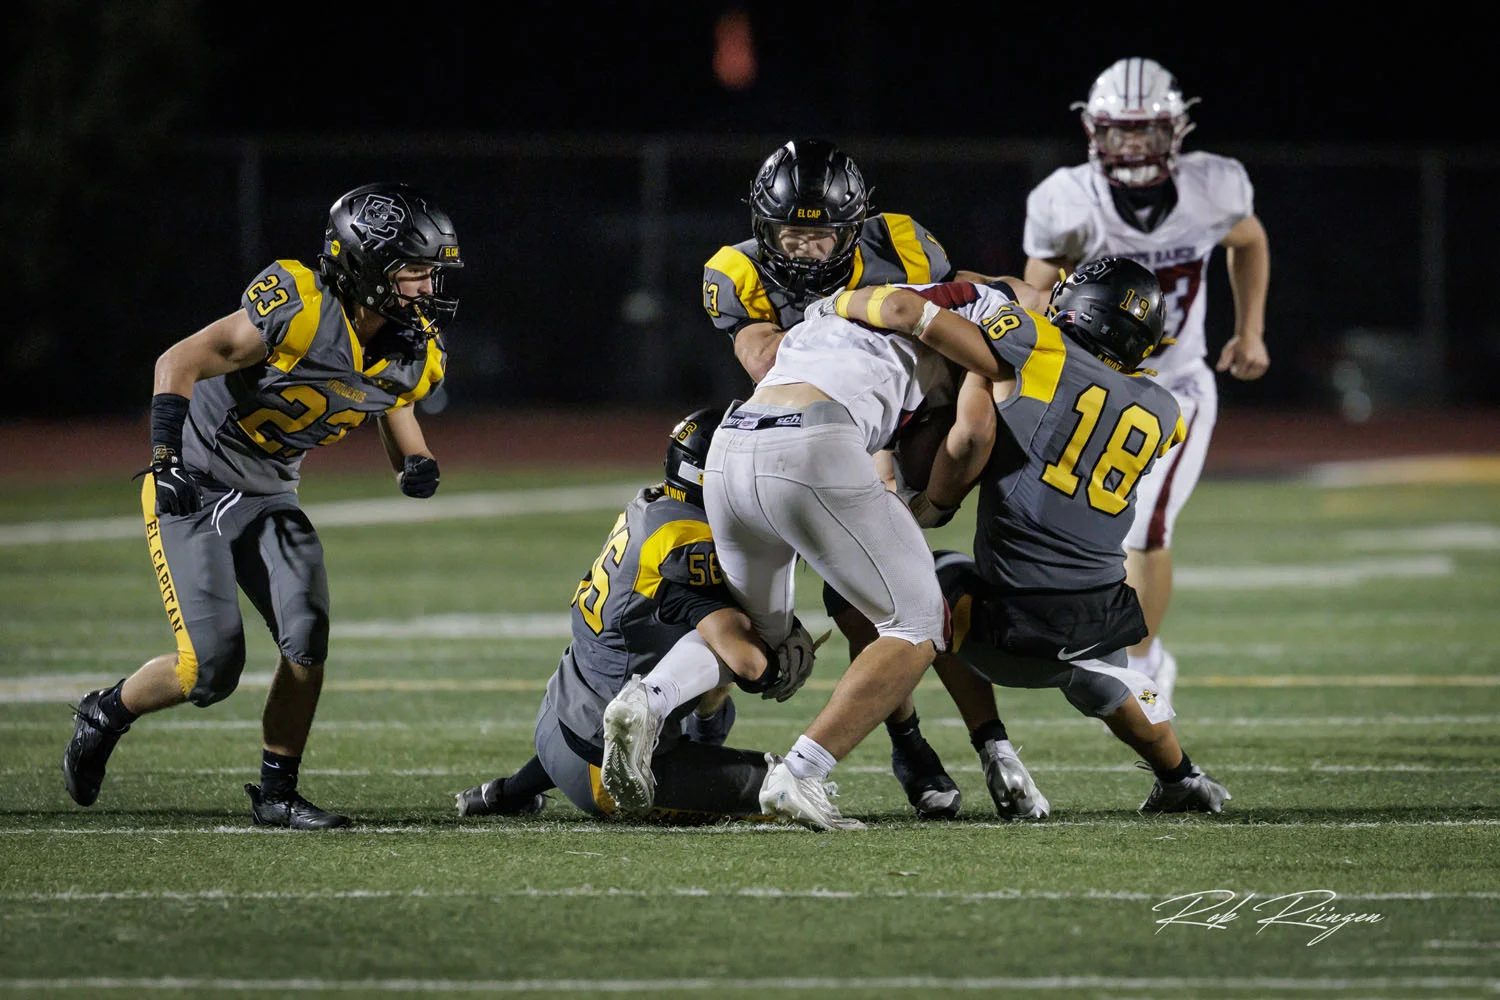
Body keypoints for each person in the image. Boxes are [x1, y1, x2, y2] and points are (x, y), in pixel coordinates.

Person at [61, 182, 463, 829]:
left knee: (307, 632)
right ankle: (105, 712)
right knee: (209, 669)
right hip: (196, 479)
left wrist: (413, 458)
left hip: (269, 487)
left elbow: (393, 397)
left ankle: (277, 794)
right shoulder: (301, 307)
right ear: (365, 268)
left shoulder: (413, 349)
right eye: (414, 272)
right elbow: (180, 361)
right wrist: (165, 460)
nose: (428, 287)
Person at [783, 258, 1231, 829]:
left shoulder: (1036, 345)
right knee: (1101, 676)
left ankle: (987, 749)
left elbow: (909, 318)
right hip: (1100, 615)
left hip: (1013, 629)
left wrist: (834, 305)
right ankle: (1182, 777)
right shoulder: (1166, 410)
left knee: (912, 588)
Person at [700, 136, 1003, 819]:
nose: (805, 251)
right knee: (907, 612)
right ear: (761, 226)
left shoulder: (903, 242)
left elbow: (944, 315)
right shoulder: (733, 271)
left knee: (805, 626)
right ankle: (884, 744)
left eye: (822, 238)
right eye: (789, 236)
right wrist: (861, 309)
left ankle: (660, 707)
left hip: (843, 424)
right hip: (812, 420)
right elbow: (765, 360)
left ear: (855, 226)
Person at [1021, 57, 1272, 703]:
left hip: (1176, 383)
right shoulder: (1067, 200)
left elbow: (1249, 240)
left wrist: (1250, 331)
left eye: (1147, 131)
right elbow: (1035, 294)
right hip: (1097, 386)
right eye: (1119, 131)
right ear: (1092, 131)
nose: (1132, 146)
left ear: (1176, 130)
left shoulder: (1214, 187)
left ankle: (1144, 665)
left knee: (1145, 526)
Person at [456, 409, 821, 823]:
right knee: (788, 789)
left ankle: (506, 793)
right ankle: (685, 766)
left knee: (707, 680)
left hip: (557, 721)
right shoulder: (689, 543)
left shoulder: (653, 503)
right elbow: (748, 664)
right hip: (605, 767)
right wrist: (777, 663)